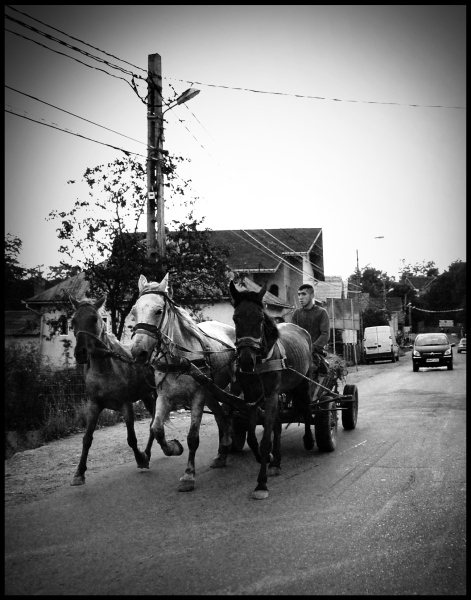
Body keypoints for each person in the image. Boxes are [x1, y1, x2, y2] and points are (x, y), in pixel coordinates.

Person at [289, 283, 330, 376]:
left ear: (312, 296)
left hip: (315, 353)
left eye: (304, 294)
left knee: (317, 369)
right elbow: (293, 334)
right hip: (298, 353)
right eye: (299, 294)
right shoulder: (296, 313)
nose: (300, 297)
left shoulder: (321, 313)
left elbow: (325, 334)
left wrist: (312, 348)